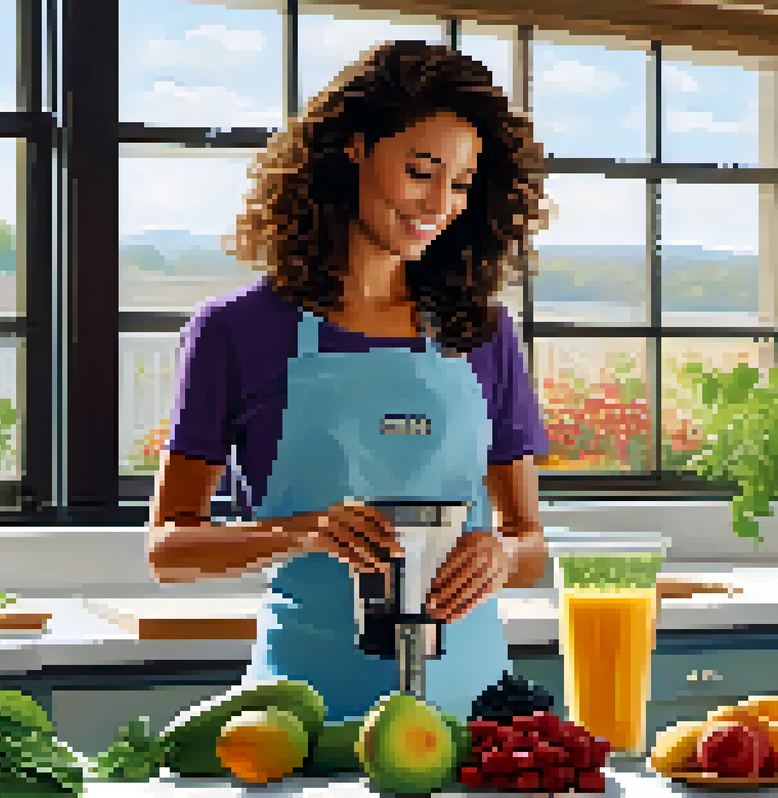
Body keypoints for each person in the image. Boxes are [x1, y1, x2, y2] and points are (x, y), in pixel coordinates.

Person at [146, 39, 552, 723]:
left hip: (476, 717)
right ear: (354, 148)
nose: (440, 204)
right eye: (421, 171)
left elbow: (529, 540)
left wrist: (500, 557)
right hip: (303, 719)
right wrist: (303, 532)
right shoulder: (237, 330)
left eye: (460, 184)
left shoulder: (482, 332)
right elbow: (168, 548)